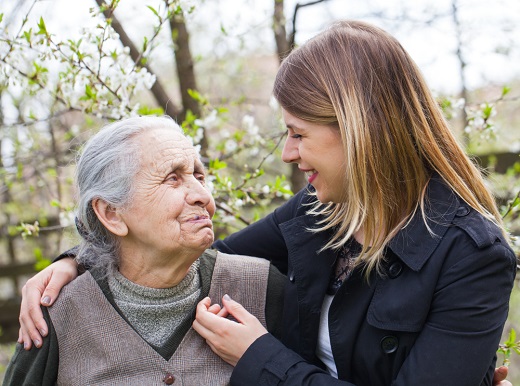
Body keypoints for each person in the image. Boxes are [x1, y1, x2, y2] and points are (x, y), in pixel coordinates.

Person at [14, 20, 516, 385]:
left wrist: (259, 356)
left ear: (359, 131)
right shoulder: (322, 212)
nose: (288, 153)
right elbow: (191, 252)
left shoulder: (472, 255)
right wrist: (78, 259)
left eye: (298, 133)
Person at [3, 116, 284, 385]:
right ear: (112, 213)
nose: (202, 195)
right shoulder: (58, 313)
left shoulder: (263, 287)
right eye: (172, 178)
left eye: (199, 176)